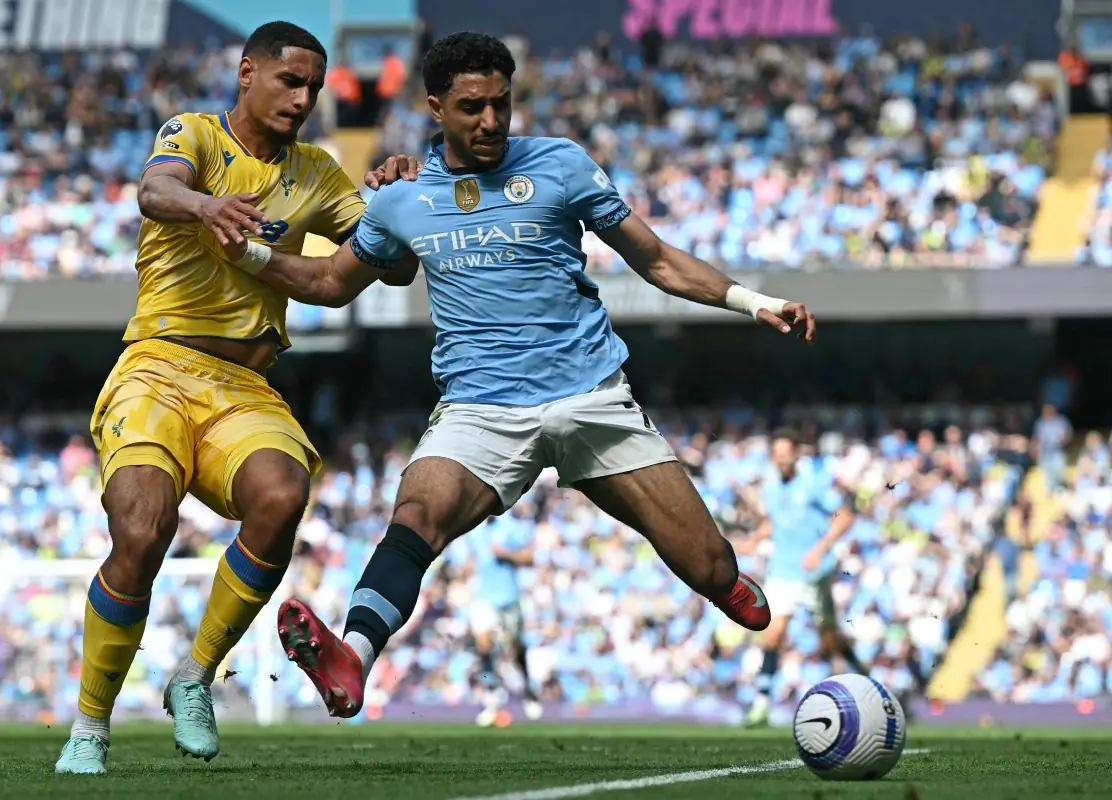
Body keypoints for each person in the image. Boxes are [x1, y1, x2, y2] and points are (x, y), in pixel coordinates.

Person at [217, 31, 815, 718]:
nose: (491, 121)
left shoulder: (560, 165)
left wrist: (752, 301)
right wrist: (250, 255)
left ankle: (721, 577)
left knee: (709, 566)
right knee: (415, 516)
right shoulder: (401, 197)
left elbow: (654, 259)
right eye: (471, 107)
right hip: (480, 411)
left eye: (501, 104)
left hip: (590, 398)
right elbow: (329, 280)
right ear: (435, 107)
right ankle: (353, 657)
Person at [54, 21, 419, 774]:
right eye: (290, 81)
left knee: (282, 496)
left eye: (313, 87)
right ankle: (90, 725)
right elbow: (154, 189)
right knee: (142, 531)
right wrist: (203, 206)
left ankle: (194, 675)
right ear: (247, 73)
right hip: (158, 367)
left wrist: (398, 202)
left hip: (244, 385)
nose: (303, 98)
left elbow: (393, 266)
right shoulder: (193, 134)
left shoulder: (317, 173)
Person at [741, 429, 865, 728]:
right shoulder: (771, 489)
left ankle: (864, 680)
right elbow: (775, 522)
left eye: (786, 454)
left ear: (796, 454)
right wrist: (753, 540)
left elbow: (845, 517)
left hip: (813, 573)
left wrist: (819, 549)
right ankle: (761, 704)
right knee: (773, 634)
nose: (781, 459)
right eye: (777, 455)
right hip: (782, 571)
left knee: (829, 640)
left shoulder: (813, 485)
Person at [453, 504, 541, 726]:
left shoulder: (511, 527)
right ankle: (492, 692)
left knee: (516, 647)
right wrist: (466, 570)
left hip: (508, 598)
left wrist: (507, 554)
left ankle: (528, 688)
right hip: (484, 598)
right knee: (483, 643)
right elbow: (474, 560)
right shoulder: (475, 530)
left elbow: (530, 559)